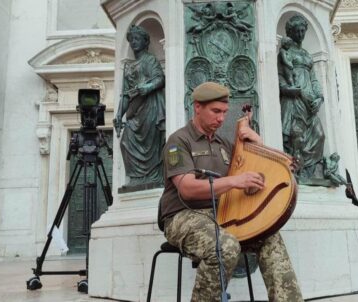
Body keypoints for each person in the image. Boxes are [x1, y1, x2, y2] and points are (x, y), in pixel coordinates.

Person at [158, 81, 304, 301]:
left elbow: (252, 173)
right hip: (182, 215)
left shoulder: (224, 144)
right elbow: (187, 189)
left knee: (270, 236)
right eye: (215, 111)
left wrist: (258, 143)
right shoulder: (178, 141)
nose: (221, 118)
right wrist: (235, 181)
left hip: (223, 213)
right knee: (224, 246)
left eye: (225, 112)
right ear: (197, 107)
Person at [114, 25, 165, 188]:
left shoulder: (150, 60)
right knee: (125, 142)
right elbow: (125, 95)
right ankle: (137, 178)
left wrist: (147, 88)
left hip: (150, 107)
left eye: (137, 39)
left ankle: (152, 176)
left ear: (145, 42)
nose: (133, 42)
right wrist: (118, 115)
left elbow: (160, 79)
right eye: (131, 40)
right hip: (134, 111)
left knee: (152, 142)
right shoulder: (128, 67)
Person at [278, 15, 325, 182]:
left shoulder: (307, 54)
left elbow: (313, 79)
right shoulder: (285, 52)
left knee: (319, 134)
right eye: (296, 31)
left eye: (302, 30)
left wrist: (319, 97)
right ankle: (295, 170)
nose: (300, 33)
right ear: (291, 32)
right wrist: (286, 89)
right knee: (295, 134)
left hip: (309, 99)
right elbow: (280, 76)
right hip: (294, 98)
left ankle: (310, 169)